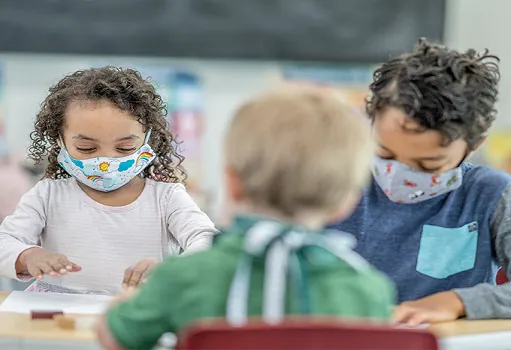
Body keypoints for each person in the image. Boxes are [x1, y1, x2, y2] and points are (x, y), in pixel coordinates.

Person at [97, 88, 395, 350]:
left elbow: (116, 338)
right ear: (347, 202)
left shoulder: (184, 276)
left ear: (232, 182)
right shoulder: (369, 289)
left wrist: (122, 308)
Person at [331, 38, 511, 325]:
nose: (400, 174)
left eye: (428, 165)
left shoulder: (489, 194)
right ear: (370, 121)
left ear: (473, 145)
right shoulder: (334, 181)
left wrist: (459, 302)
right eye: (384, 153)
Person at [0, 67, 218, 294]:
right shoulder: (47, 195)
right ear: (60, 142)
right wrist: (27, 256)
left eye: (125, 148)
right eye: (87, 148)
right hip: (56, 315)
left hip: (133, 313)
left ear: (147, 140)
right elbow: (4, 242)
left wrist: (173, 269)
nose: (106, 160)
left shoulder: (166, 198)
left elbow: (208, 240)